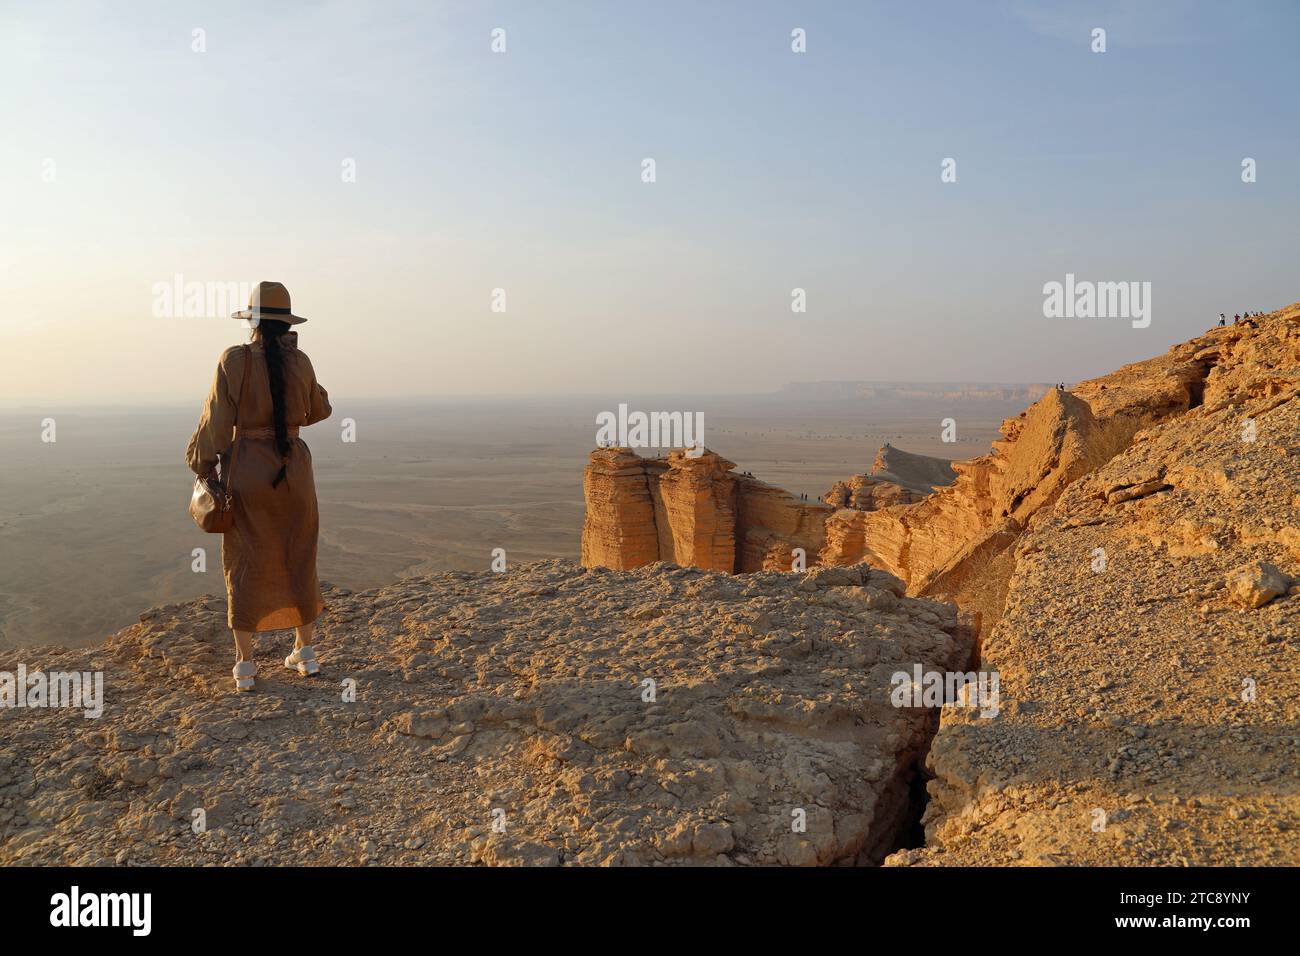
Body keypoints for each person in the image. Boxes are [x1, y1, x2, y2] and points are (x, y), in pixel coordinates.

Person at [186, 281, 332, 692]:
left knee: (244, 561)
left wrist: (202, 463)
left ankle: (246, 666)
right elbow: (318, 410)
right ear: (285, 322)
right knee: (299, 555)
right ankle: (305, 653)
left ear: (250, 321)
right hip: (295, 472)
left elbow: (216, 420)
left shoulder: (233, 360)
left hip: (247, 468)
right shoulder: (300, 360)